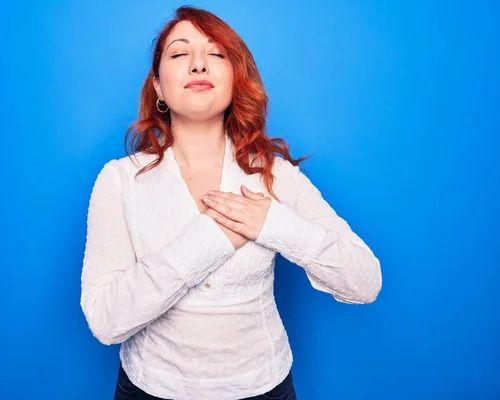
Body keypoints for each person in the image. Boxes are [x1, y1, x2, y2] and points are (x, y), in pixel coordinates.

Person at [80, 5, 382, 400]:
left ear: (235, 78)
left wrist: (273, 225)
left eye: (216, 54)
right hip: (149, 388)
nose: (199, 65)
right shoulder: (119, 180)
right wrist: (212, 238)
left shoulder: (275, 177)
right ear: (157, 86)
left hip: (263, 387)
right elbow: (105, 320)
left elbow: (365, 281)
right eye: (179, 53)